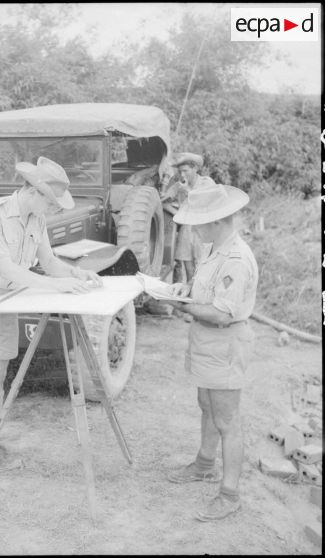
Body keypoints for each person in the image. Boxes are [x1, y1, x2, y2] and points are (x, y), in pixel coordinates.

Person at [0, 156, 102, 474]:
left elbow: (50, 262)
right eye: (52, 202)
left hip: (7, 300)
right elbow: (7, 269)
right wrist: (57, 287)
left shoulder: (37, 220)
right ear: (35, 192)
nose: (53, 209)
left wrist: (77, 274)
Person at [164, 177, 258, 522]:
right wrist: (183, 289)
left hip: (224, 340)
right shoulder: (213, 249)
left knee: (227, 419)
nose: (194, 230)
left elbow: (221, 313)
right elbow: (203, 287)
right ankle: (204, 464)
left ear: (217, 221)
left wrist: (183, 306)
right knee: (206, 404)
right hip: (206, 340)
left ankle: (230, 494)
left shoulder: (236, 258)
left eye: (198, 223)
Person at [161, 152, 204, 283]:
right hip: (186, 229)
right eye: (180, 171)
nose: (182, 174)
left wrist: (188, 192)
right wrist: (178, 215)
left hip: (203, 230)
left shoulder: (206, 183)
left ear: (195, 168)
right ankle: (191, 293)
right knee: (189, 269)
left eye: (185, 171)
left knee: (203, 266)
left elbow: (209, 205)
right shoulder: (178, 185)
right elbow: (162, 202)